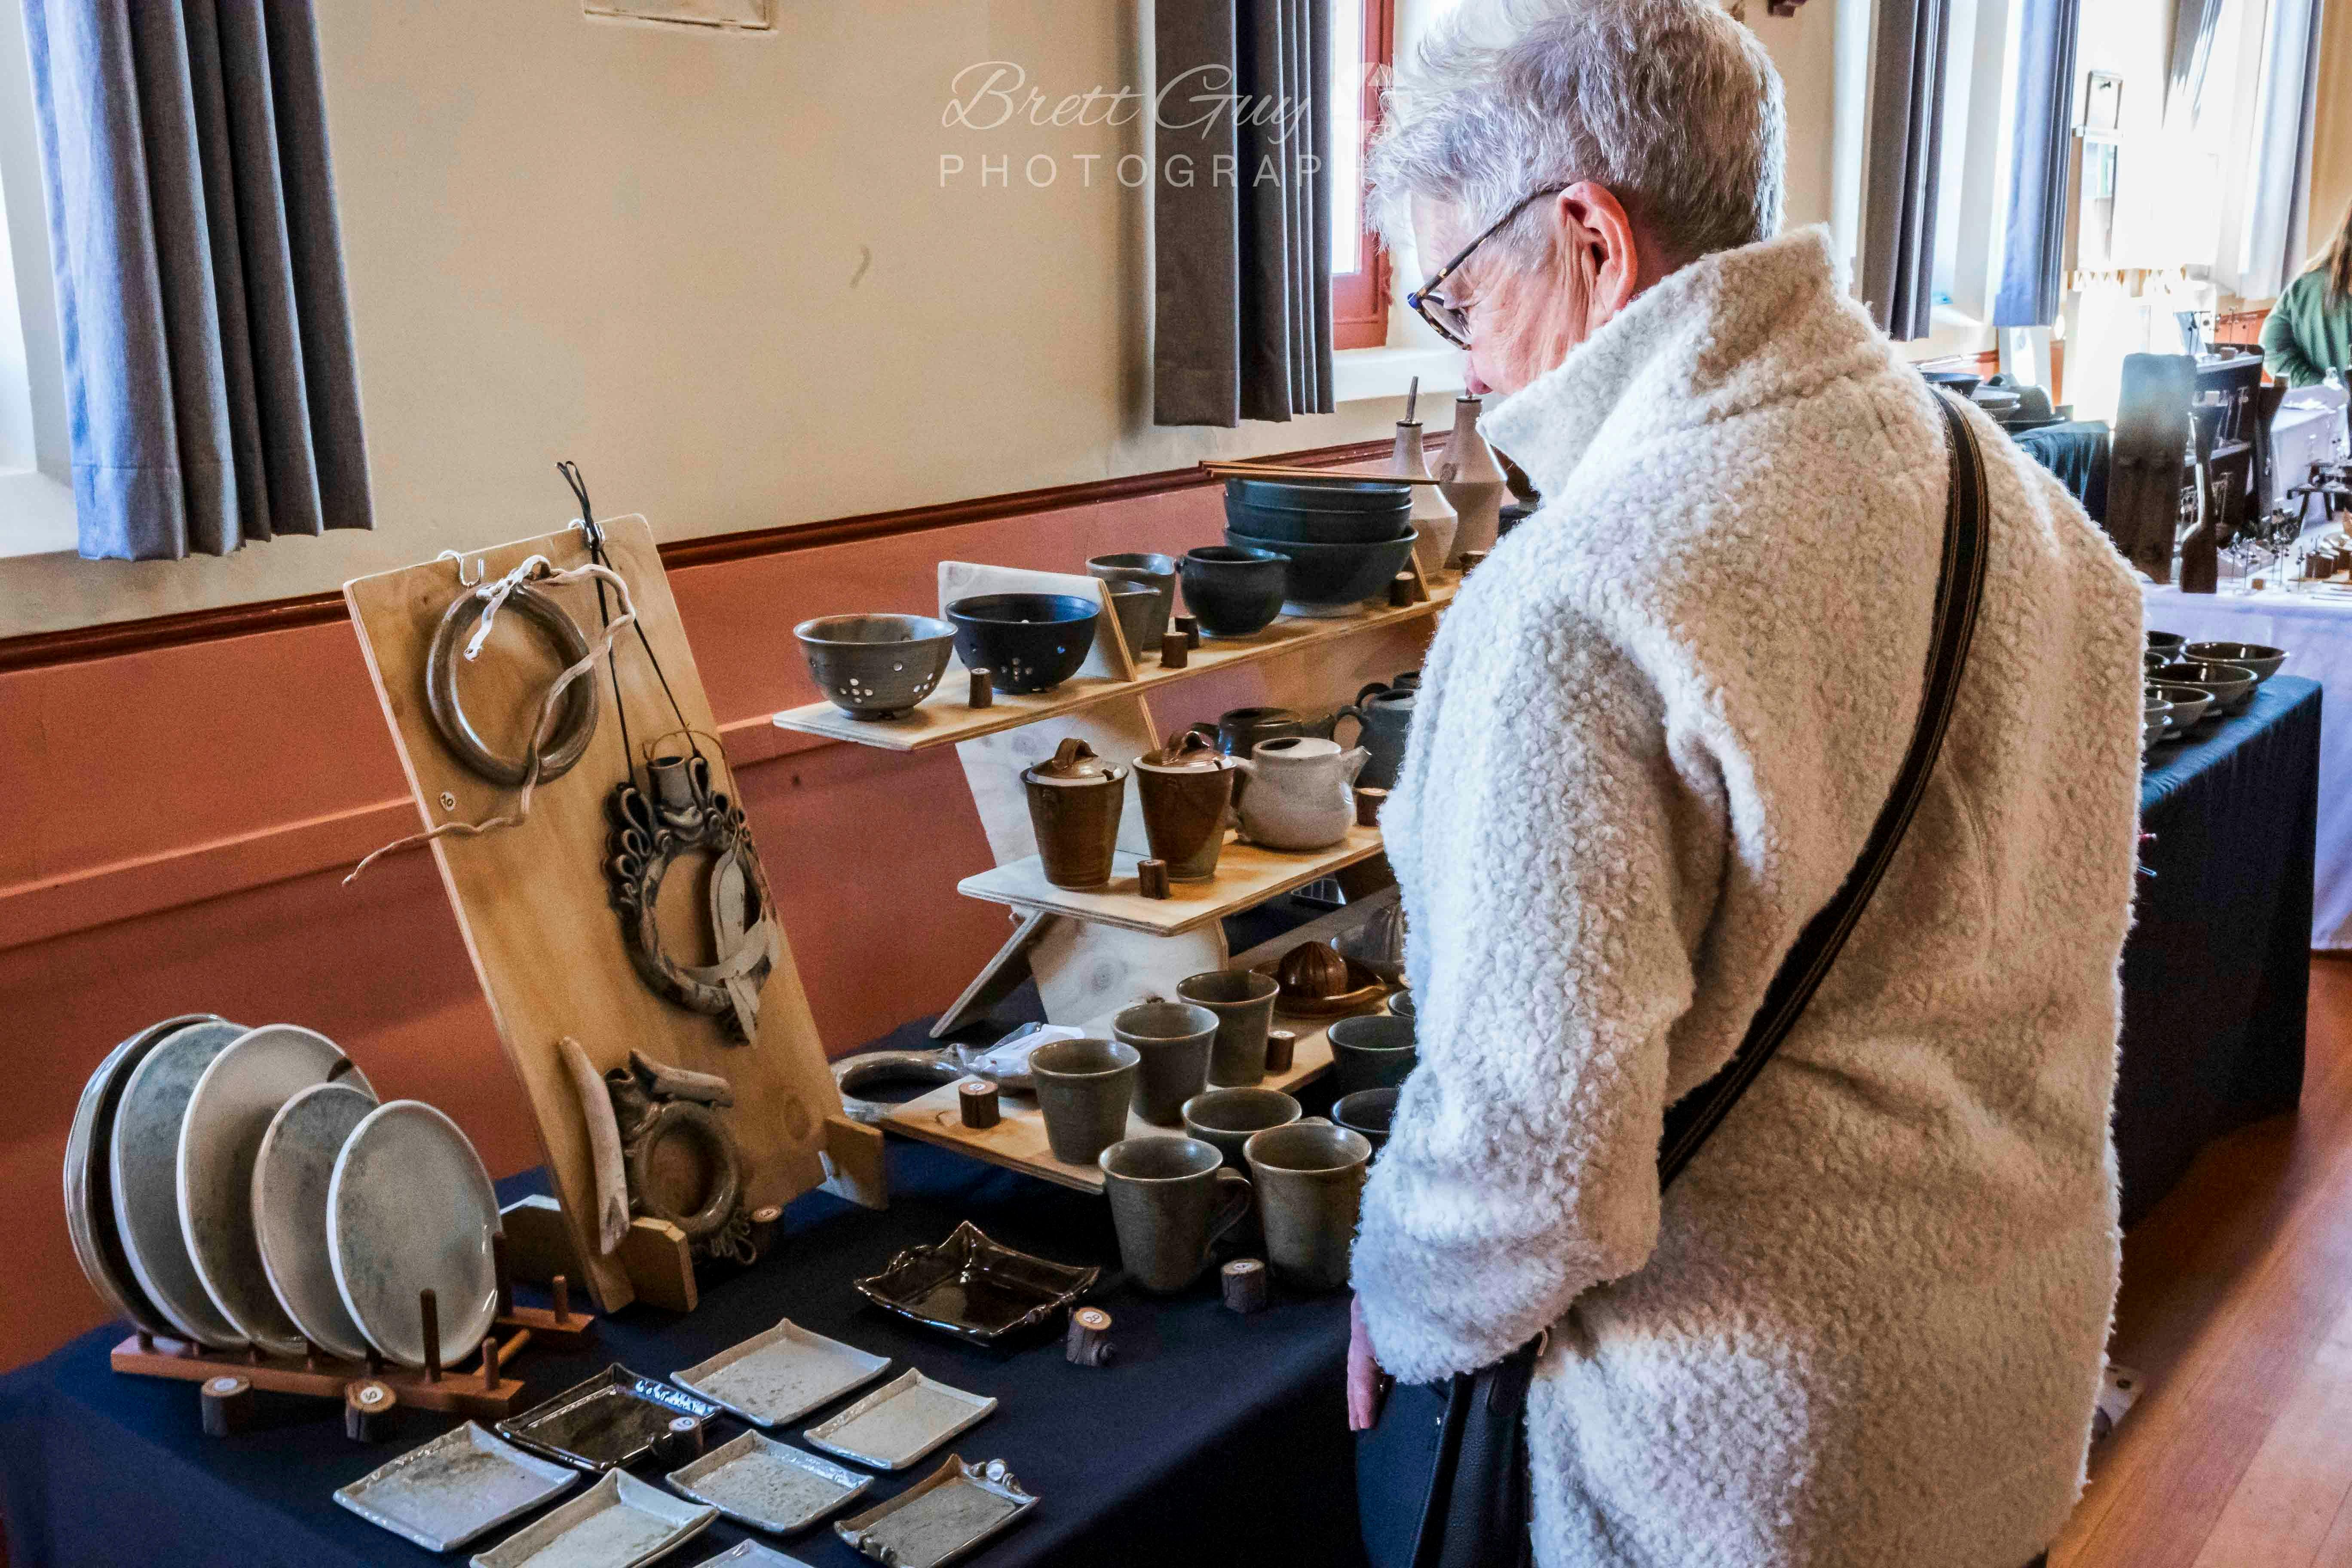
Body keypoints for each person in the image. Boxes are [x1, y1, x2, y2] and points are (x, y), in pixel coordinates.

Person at [1343, 1, 2144, 1565]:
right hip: (2004, 1372)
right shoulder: (2016, 500)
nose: (1473, 357)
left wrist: (1400, 1288)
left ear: (1589, 237)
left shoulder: (1579, 593)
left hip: (1746, 1449)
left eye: (1456, 292)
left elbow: (1534, 1159)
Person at [2261, 200, 2352, 387]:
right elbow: (2271, 347)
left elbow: (2270, 347)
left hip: (2318, 411)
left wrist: (2317, 389)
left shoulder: (2304, 286)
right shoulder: (2304, 287)